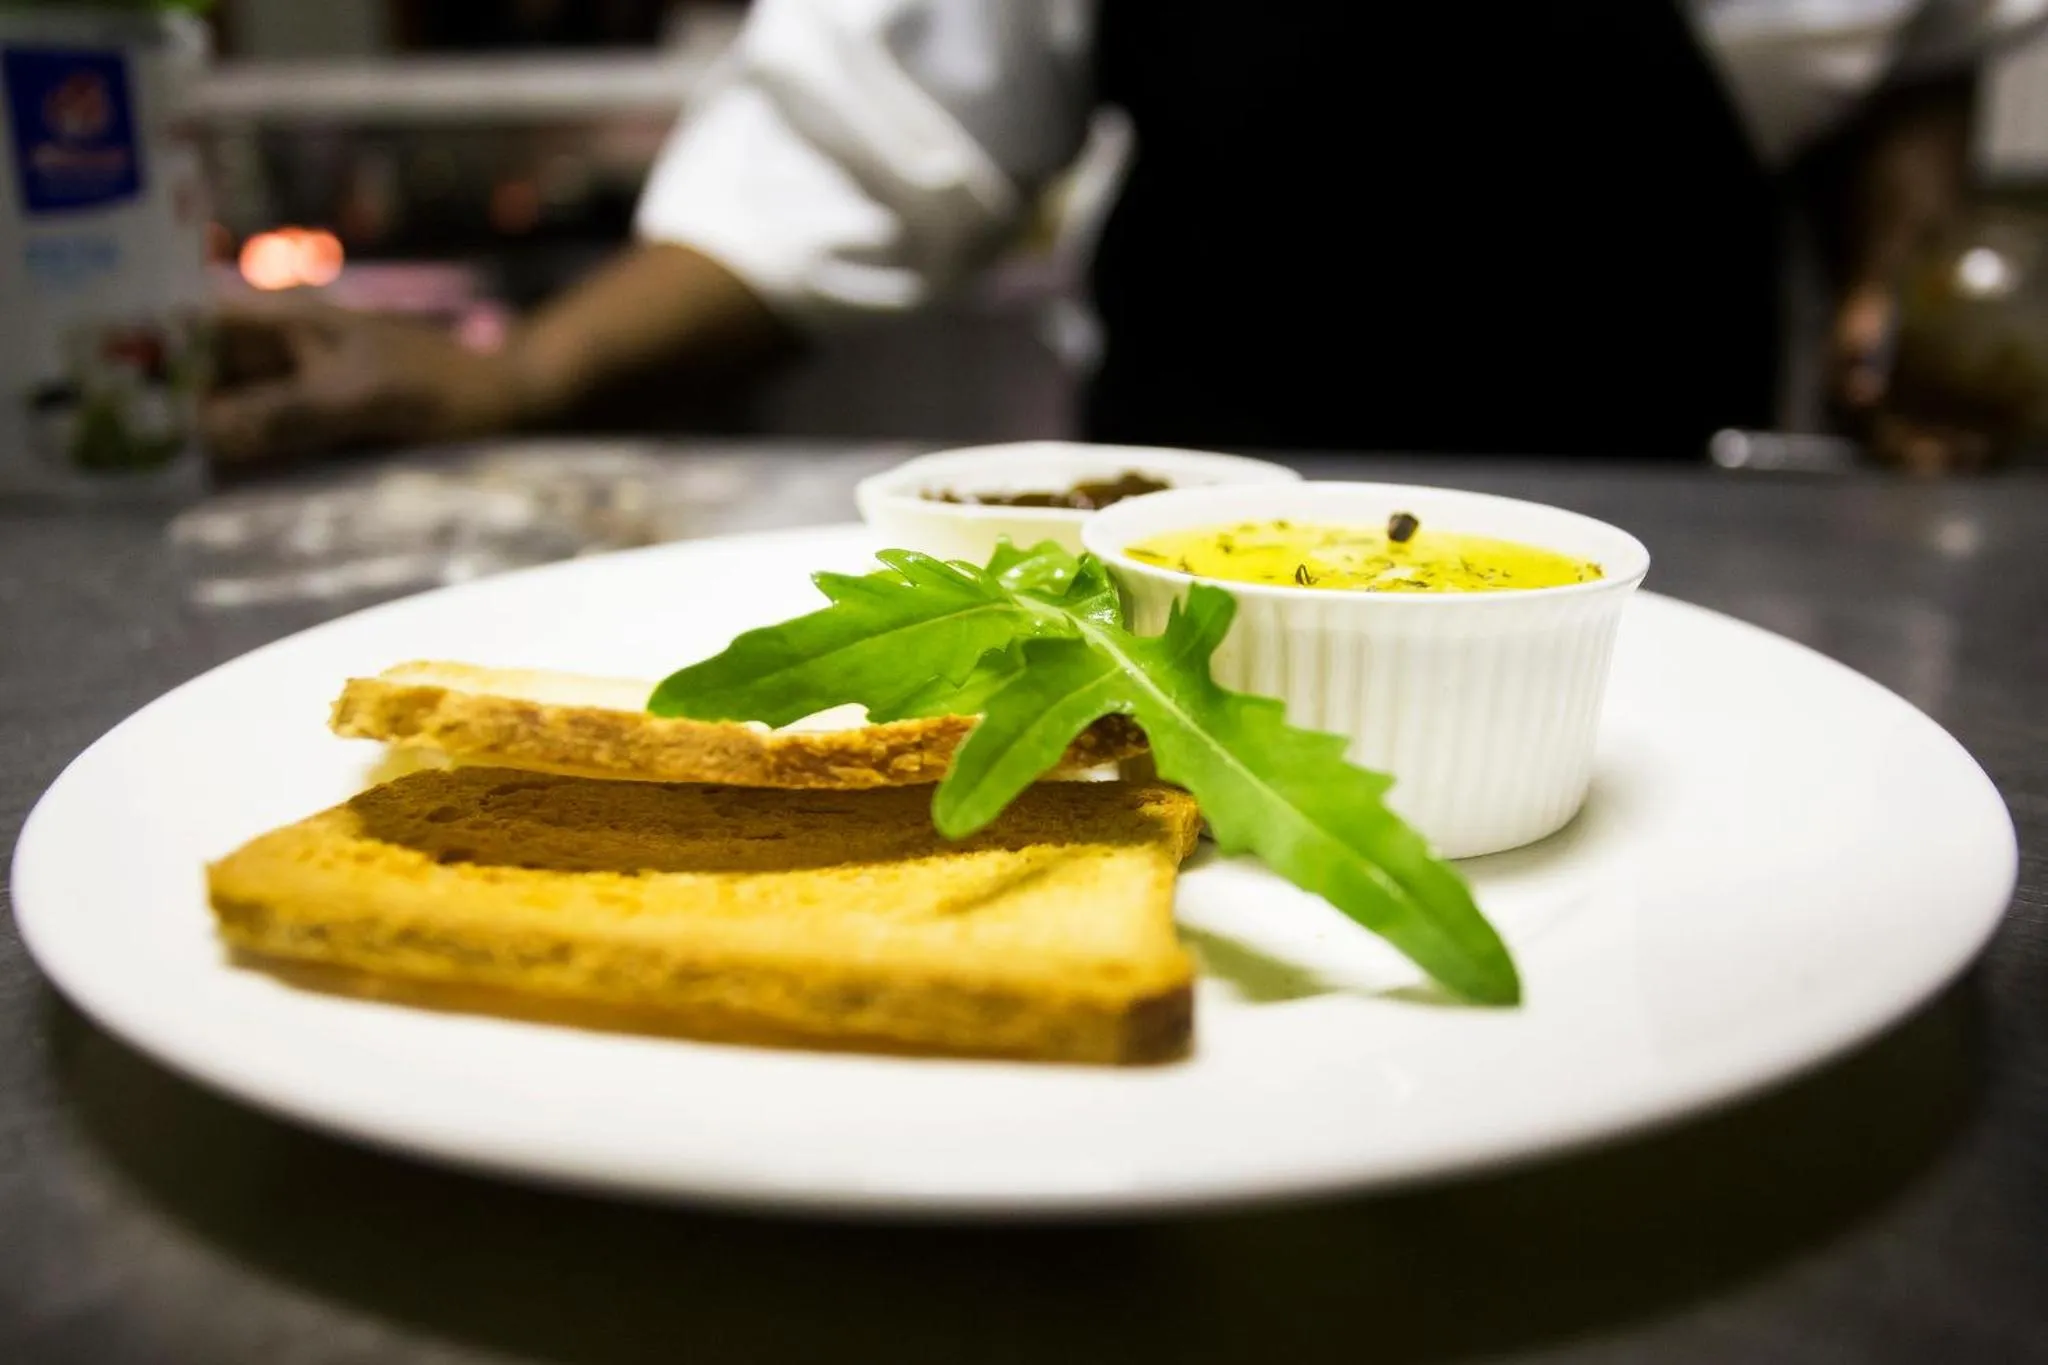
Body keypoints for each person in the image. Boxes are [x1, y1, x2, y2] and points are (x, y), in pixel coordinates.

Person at [203, 0, 2039, 469]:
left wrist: (1917, 277)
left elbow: (1913, 58)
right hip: (1181, 552)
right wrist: (514, 375)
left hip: (1661, 525)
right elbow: (865, 133)